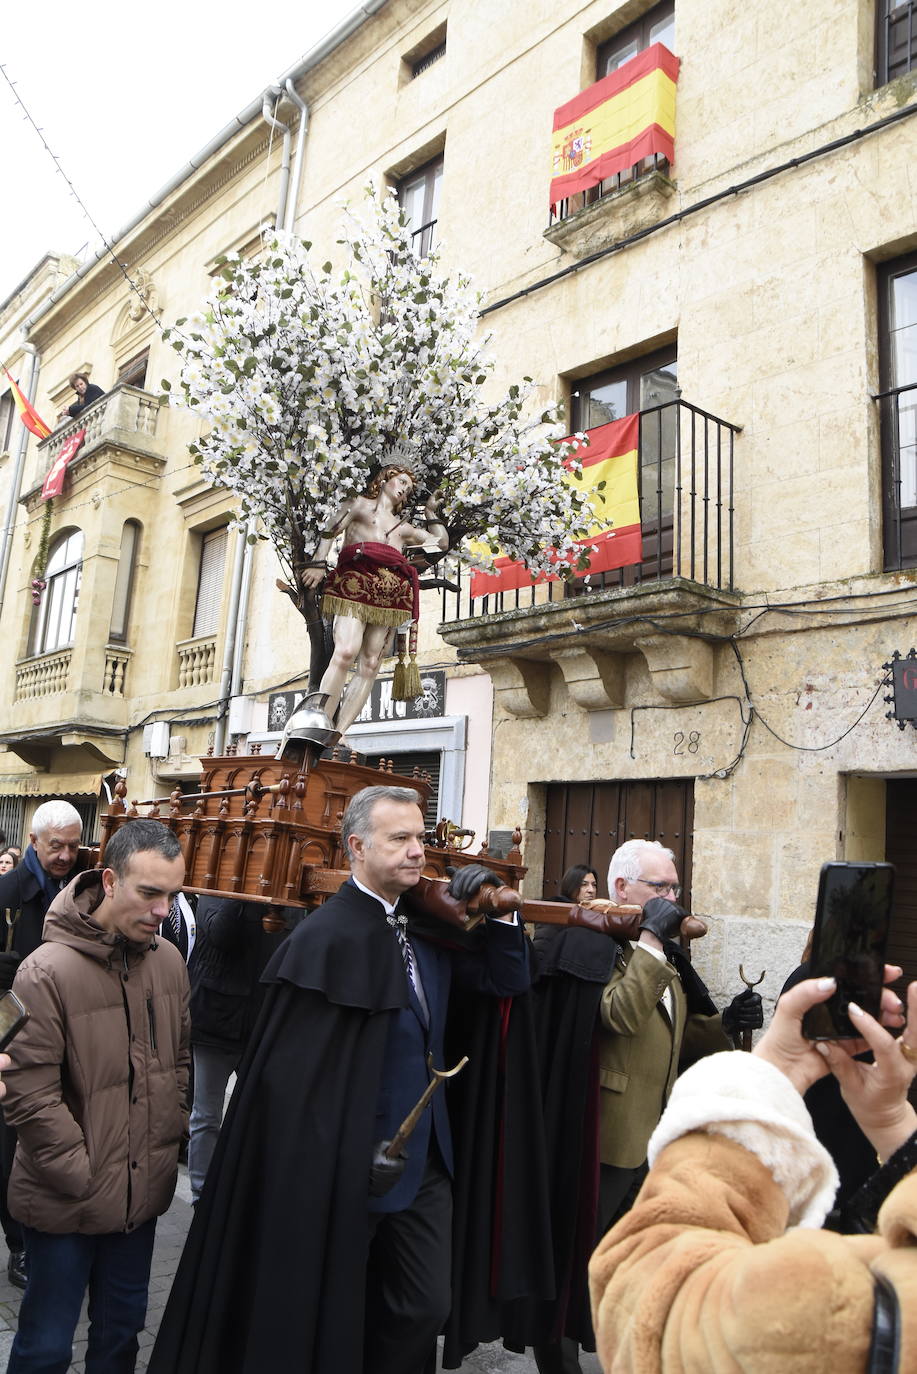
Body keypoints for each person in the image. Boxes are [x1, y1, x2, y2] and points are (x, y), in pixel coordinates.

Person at [149, 784, 530, 1374]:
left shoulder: (427, 931)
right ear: (356, 846)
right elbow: (292, 1084)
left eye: (420, 839)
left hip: (426, 1162)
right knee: (334, 1304)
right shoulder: (321, 940)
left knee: (425, 1305)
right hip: (342, 1168)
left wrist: (501, 915)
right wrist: (346, 1151)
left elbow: (503, 986)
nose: (416, 852)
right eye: (399, 839)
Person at [589, 968, 917, 1373]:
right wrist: (895, 1125)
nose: (670, 898)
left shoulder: (841, 1304)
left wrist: (766, 1076)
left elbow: (646, 1309)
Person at [529, 839, 761, 1374]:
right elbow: (619, 1015)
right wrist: (654, 941)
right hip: (604, 1135)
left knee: (631, 1264)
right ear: (621, 889)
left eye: (675, 888)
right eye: (660, 887)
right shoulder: (586, 943)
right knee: (577, 1260)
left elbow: (673, 1034)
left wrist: (725, 1021)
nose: (671, 898)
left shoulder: (659, 953)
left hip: (652, 1135)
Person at [3, 819, 190, 1374]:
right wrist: (83, 1173)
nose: (163, 910)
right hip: (67, 1198)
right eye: (149, 893)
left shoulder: (169, 962)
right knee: (46, 1344)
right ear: (109, 881)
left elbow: (180, 1062)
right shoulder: (45, 971)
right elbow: (27, 1092)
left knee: (121, 1333)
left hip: (141, 1194)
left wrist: (169, 1130)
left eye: (172, 896)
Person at [0, 799, 84, 1289]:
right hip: (13, 1040)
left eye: (73, 845)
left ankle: (55, 1236)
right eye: (57, 846)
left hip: (68, 1036)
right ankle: (19, 1244)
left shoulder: (83, 889)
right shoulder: (8, 891)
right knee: (10, 1148)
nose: (66, 854)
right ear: (34, 842)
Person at [299, 463, 449, 737]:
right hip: (355, 582)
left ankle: (338, 734)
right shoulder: (357, 504)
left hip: (390, 593)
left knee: (370, 664)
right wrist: (319, 563)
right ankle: (319, 723)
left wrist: (430, 513)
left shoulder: (402, 528)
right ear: (384, 479)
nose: (404, 489)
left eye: (409, 489)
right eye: (401, 481)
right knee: (345, 651)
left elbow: (440, 544)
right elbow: (331, 529)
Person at [185, 897, 290, 1201]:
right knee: (206, 1114)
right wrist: (242, 896)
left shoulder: (284, 900)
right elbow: (220, 933)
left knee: (258, 1114)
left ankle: (244, 1193)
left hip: (260, 1022)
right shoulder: (220, 889)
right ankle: (200, 1196)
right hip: (216, 1018)